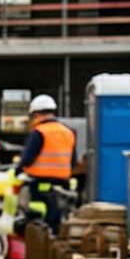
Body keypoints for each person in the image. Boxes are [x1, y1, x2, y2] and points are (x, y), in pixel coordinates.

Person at [19, 93, 79, 232]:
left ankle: (38, 245)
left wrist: (18, 170)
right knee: (58, 217)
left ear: (37, 114)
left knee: (36, 219)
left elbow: (27, 158)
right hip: (63, 184)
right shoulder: (68, 132)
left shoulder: (39, 132)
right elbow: (73, 162)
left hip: (39, 184)